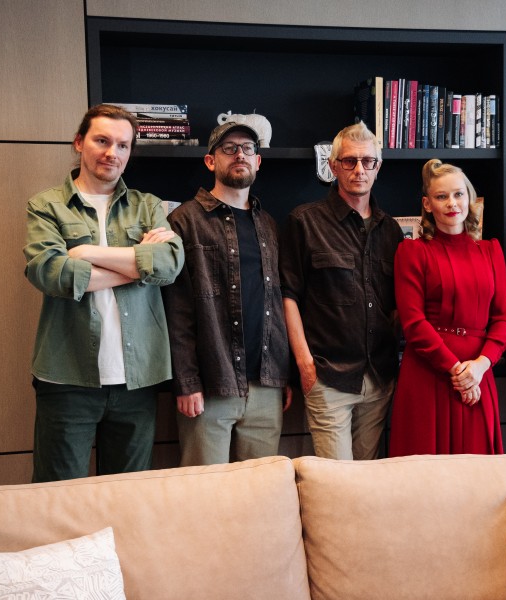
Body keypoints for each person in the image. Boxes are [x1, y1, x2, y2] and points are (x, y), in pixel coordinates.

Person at [23, 104, 184, 482]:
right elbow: (50, 273)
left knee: (126, 496)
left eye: (123, 145)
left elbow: (169, 265)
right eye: (102, 141)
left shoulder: (147, 206)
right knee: (59, 495)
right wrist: (138, 266)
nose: (113, 152)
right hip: (67, 377)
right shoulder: (46, 206)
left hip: (138, 379)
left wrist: (85, 253)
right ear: (79, 142)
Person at [162, 121, 291, 466]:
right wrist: (187, 381)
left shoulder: (268, 224)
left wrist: (282, 375)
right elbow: (176, 310)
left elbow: (276, 304)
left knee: (261, 489)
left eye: (248, 149)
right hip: (210, 383)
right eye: (229, 148)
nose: (240, 155)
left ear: (258, 161)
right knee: (205, 490)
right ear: (210, 161)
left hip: (266, 384)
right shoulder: (185, 220)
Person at [280, 121, 404, 460]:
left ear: (378, 167)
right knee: (335, 481)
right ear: (333, 166)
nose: (359, 170)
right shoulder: (305, 222)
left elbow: (397, 303)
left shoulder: (391, 230)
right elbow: (288, 296)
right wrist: (305, 364)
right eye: (349, 161)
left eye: (368, 161)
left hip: (379, 377)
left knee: (367, 478)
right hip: (328, 375)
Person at [389, 160, 506, 456]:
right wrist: (459, 373)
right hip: (428, 374)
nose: (452, 203)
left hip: (479, 373)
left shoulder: (491, 250)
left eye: (458, 194)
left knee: (477, 472)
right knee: (425, 472)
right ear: (427, 204)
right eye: (441, 196)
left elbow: (503, 319)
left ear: (470, 198)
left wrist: (479, 367)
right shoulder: (412, 251)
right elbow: (413, 323)